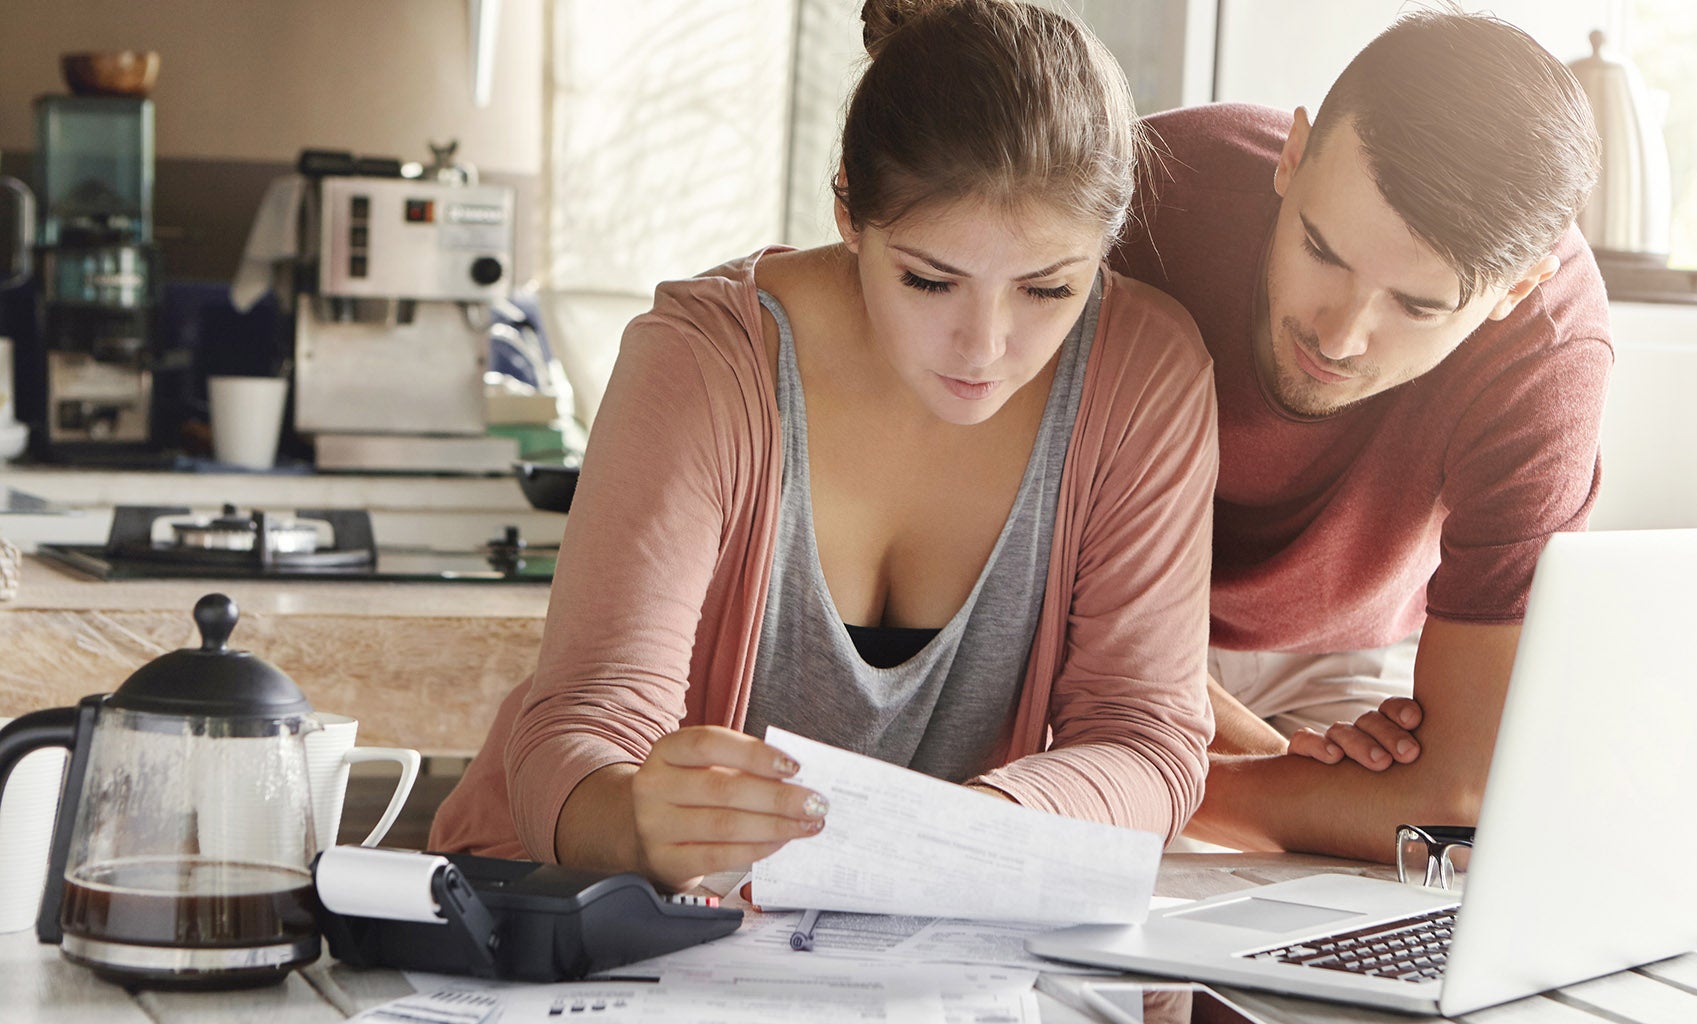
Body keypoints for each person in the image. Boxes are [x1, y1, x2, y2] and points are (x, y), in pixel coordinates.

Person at [430, 0, 1218, 888]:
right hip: (585, 919)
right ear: (849, 207)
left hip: (912, 944)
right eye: (929, 279)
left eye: (1047, 291)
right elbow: (580, 724)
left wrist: (979, 830)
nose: (984, 346)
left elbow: (1144, 737)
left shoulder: (1144, 374)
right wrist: (633, 816)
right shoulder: (702, 364)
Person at [1108, 11, 1610, 860]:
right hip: (1109, 620)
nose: (1338, 336)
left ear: (1516, 289)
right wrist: (1267, 780)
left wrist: (1176, 785)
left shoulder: (1548, 352)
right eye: (1319, 249)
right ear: (1293, 157)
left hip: (1355, 661)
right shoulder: (1143, 195)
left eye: (1416, 306)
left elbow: (1452, 799)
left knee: (1371, 921)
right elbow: (1012, 562)